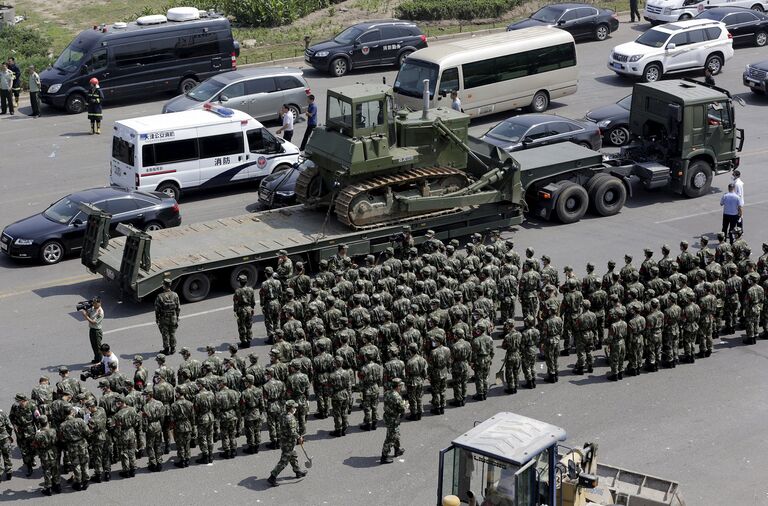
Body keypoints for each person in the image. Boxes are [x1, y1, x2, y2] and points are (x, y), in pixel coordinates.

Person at [267, 400, 307, 486]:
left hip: (284, 440)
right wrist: (299, 437)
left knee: (293, 456)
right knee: (284, 461)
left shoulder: (282, 414)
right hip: (288, 442)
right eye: (294, 407)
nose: (295, 409)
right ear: (291, 408)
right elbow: (292, 432)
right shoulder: (291, 418)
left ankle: (297, 471)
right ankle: (272, 476)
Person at [380, 379, 407, 464]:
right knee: (390, 438)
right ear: (398, 386)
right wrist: (406, 406)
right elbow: (401, 409)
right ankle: (384, 457)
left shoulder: (387, 393)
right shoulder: (397, 396)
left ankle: (397, 449)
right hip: (393, 419)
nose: (401, 387)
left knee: (396, 433)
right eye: (400, 386)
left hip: (388, 416)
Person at [155, 278, 181, 354]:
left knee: (165, 334)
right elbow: (178, 307)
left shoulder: (160, 296)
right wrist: (177, 316)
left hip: (164, 318)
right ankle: (173, 349)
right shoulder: (175, 295)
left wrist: (157, 318)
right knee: (172, 333)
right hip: (173, 317)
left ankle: (166, 349)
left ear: (164, 286)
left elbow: (157, 309)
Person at [233, 274, 256, 348]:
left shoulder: (238, 291)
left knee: (241, 326)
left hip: (241, 310)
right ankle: (249, 340)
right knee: (249, 325)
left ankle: (244, 342)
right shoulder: (251, 289)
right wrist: (252, 308)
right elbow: (253, 301)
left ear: (240, 282)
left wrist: (235, 310)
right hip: (249, 309)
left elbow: (236, 303)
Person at [81, 296, 104, 364]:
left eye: (95, 303)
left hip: (97, 331)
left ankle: (100, 360)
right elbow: (88, 314)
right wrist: (85, 310)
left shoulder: (100, 312)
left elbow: (93, 322)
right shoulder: (93, 308)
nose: (93, 304)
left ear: (99, 303)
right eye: (93, 302)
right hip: (92, 329)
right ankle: (96, 358)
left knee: (98, 347)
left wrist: (85, 316)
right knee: (93, 346)